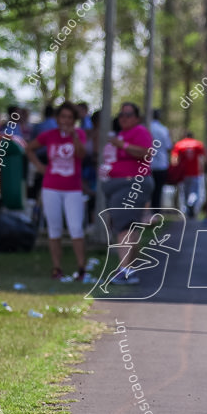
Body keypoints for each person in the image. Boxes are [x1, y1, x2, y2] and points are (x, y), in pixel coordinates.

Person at [26, 102, 88, 279]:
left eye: (70, 117)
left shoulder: (80, 134)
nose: (66, 121)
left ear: (74, 120)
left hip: (73, 188)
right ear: (57, 118)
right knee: (54, 229)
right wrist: (40, 166)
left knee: (76, 228)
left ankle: (81, 267)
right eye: (63, 117)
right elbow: (29, 148)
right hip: (51, 187)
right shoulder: (49, 135)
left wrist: (73, 136)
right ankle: (56, 267)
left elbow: (82, 154)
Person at [101, 102, 155, 284]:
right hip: (119, 184)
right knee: (129, 227)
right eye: (121, 115)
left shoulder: (139, 131)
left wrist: (122, 144)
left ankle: (125, 271)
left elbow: (147, 153)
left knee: (124, 227)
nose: (123, 118)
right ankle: (130, 269)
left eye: (128, 114)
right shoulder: (121, 134)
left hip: (131, 183)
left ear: (136, 118)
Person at [171, 133, 207, 219]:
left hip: (183, 174)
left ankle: (185, 211)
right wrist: (203, 170)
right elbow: (204, 159)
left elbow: (174, 159)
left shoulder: (179, 145)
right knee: (194, 192)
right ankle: (191, 203)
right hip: (195, 173)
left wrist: (174, 171)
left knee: (183, 194)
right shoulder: (198, 144)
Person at [149, 109, 172, 209]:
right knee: (158, 191)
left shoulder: (145, 128)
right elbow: (168, 147)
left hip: (147, 165)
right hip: (161, 165)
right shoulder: (163, 129)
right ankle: (155, 214)